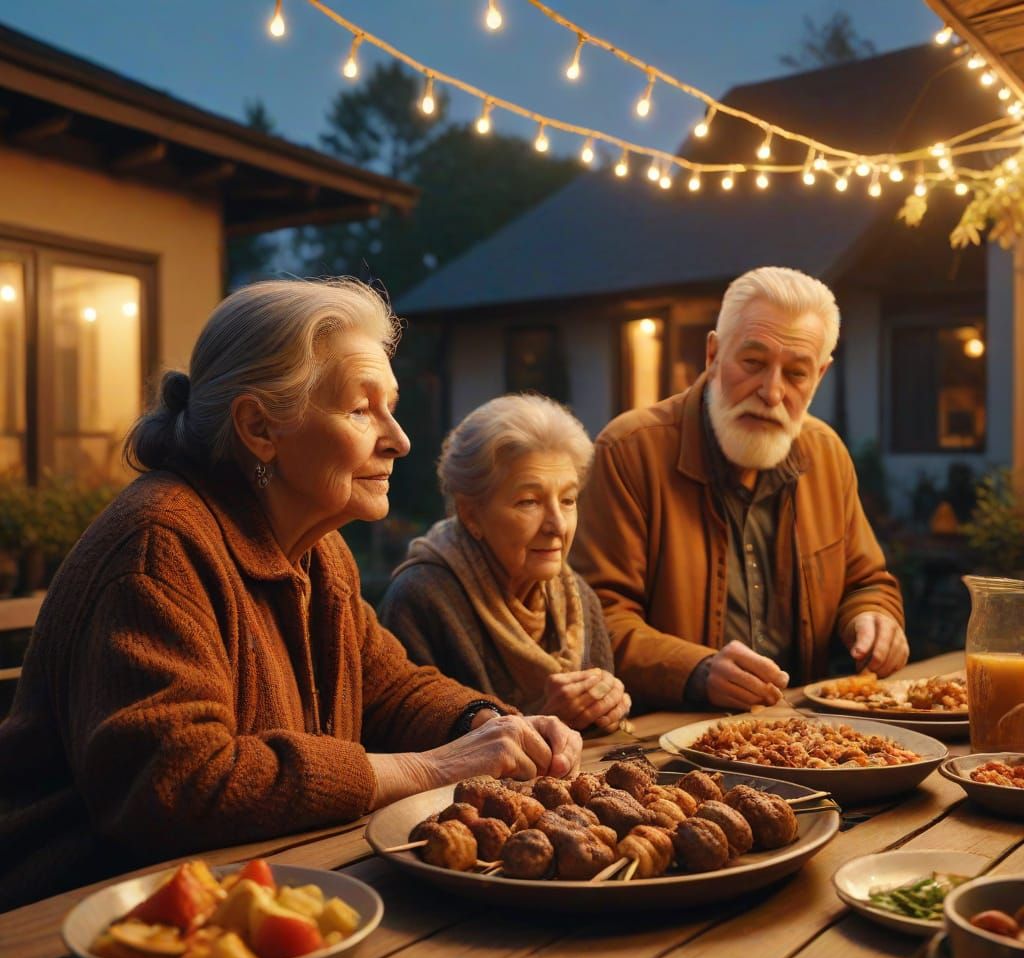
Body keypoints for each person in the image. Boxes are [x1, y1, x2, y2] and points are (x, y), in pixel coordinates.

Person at [0, 279, 580, 911]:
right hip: (86, 916)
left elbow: (389, 685)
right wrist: (432, 768)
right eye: (362, 410)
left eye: (390, 407)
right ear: (258, 426)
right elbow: (176, 785)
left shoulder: (316, 551)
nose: (399, 439)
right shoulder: (158, 546)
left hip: (260, 882)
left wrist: (488, 725)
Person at [573, 266, 908, 712]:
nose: (771, 391)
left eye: (796, 374)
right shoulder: (631, 450)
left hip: (804, 733)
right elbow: (596, 620)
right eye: (753, 363)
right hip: (666, 739)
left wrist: (875, 618)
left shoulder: (826, 455)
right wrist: (698, 670)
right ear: (712, 355)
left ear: (820, 375)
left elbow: (866, 582)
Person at [380, 394, 630, 733]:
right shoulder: (422, 598)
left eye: (568, 500)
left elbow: (600, 742)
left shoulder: (578, 599)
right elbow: (413, 748)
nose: (557, 525)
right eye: (529, 502)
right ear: (471, 515)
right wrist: (543, 721)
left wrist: (608, 708)